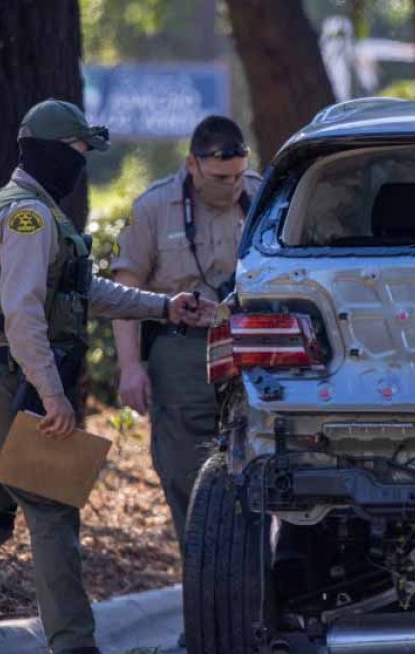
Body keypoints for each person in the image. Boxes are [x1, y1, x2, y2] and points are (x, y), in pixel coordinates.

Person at [0, 99, 214, 654]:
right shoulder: (29, 218)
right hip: (5, 380)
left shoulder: (9, 204)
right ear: (46, 150)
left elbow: (84, 290)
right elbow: (23, 314)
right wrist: (52, 395)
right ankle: (76, 652)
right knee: (52, 506)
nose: (81, 165)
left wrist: (166, 307)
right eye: (76, 153)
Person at [111, 116, 262, 555]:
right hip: (181, 350)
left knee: (256, 469)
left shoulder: (262, 196)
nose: (231, 187)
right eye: (219, 178)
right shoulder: (153, 208)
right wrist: (130, 368)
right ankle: (202, 593)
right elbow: (125, 295)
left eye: (236, 176)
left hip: (248, 349)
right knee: (184, 473)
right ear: (192, 165)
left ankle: (254, 590)